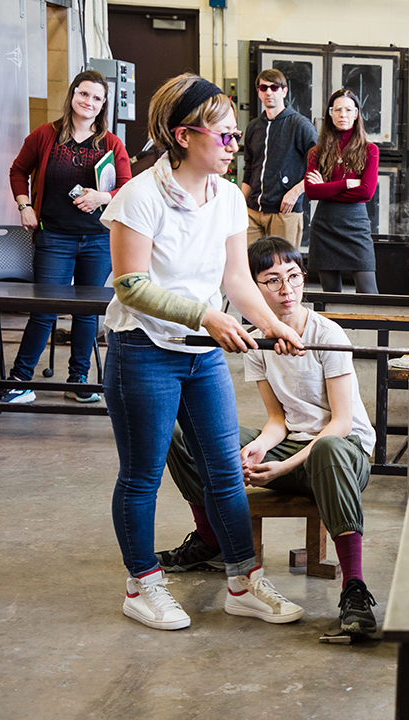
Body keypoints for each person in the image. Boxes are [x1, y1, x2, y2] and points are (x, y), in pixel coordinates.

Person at [100, 73, 306, 631]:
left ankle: (242, 579)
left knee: (223, 469)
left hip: (202, 352)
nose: (235, 146)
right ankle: (141, 584)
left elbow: (237, 279)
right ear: (184, 135)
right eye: (226, 136)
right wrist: (207, 316)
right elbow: (131, 286)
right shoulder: (137, 196)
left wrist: (273, 324)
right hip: (143, 349)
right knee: (141, 474)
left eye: (237, 136)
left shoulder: (229, 199)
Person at [159, 236, 380, 636]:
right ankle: (209, 542)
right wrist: (258, 447)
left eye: (293, 277)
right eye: (272, 280)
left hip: (342, 455)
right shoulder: (258, 340)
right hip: (292, 444)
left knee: (328, 446)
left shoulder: (326, 333)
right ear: (253, 288)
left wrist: (281, 468)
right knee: (185, 431)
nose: (287, 289)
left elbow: (342, 423)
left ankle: (355, 589)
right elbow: (277, 419)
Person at [5, 70, 132, 404]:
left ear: (104, 105)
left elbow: (126, 187)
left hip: (97, 239)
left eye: (96, 98)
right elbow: (17, 171)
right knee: (45, 309)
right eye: (84, 94)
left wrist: (100, 197)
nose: (88, 102)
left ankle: (78, 380)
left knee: (87, 312)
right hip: (54, 238)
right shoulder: (45, 136)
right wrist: (25, 205)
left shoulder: (110, 143)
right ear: (73, 94)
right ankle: (19, 379)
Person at [304, 89, 380, 294]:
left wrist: (326, 188)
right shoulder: (316, 152)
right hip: (324, 226)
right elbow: (311, 192)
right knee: (330, 296)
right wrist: (346, 184)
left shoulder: (370, 150)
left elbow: (366, 192)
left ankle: (373, 328)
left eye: (348, 109)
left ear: (356, 114)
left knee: (369, 293)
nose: (343, 115)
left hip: (356, 226)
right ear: (330, 114)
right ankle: (335, 329)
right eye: (337, 109)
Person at [239, 69, 318, 249]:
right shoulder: (253, 127)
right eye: (263, 87)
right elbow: (249, 168)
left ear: (284, 91)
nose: (269, 92)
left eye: (274, 87)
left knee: (282, 266)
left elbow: (320, 166)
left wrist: (295, 193)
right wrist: (241, 205)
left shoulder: (300, 125)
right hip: (253, 212)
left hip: (285, 212)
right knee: (251, 265)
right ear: (258, 92)